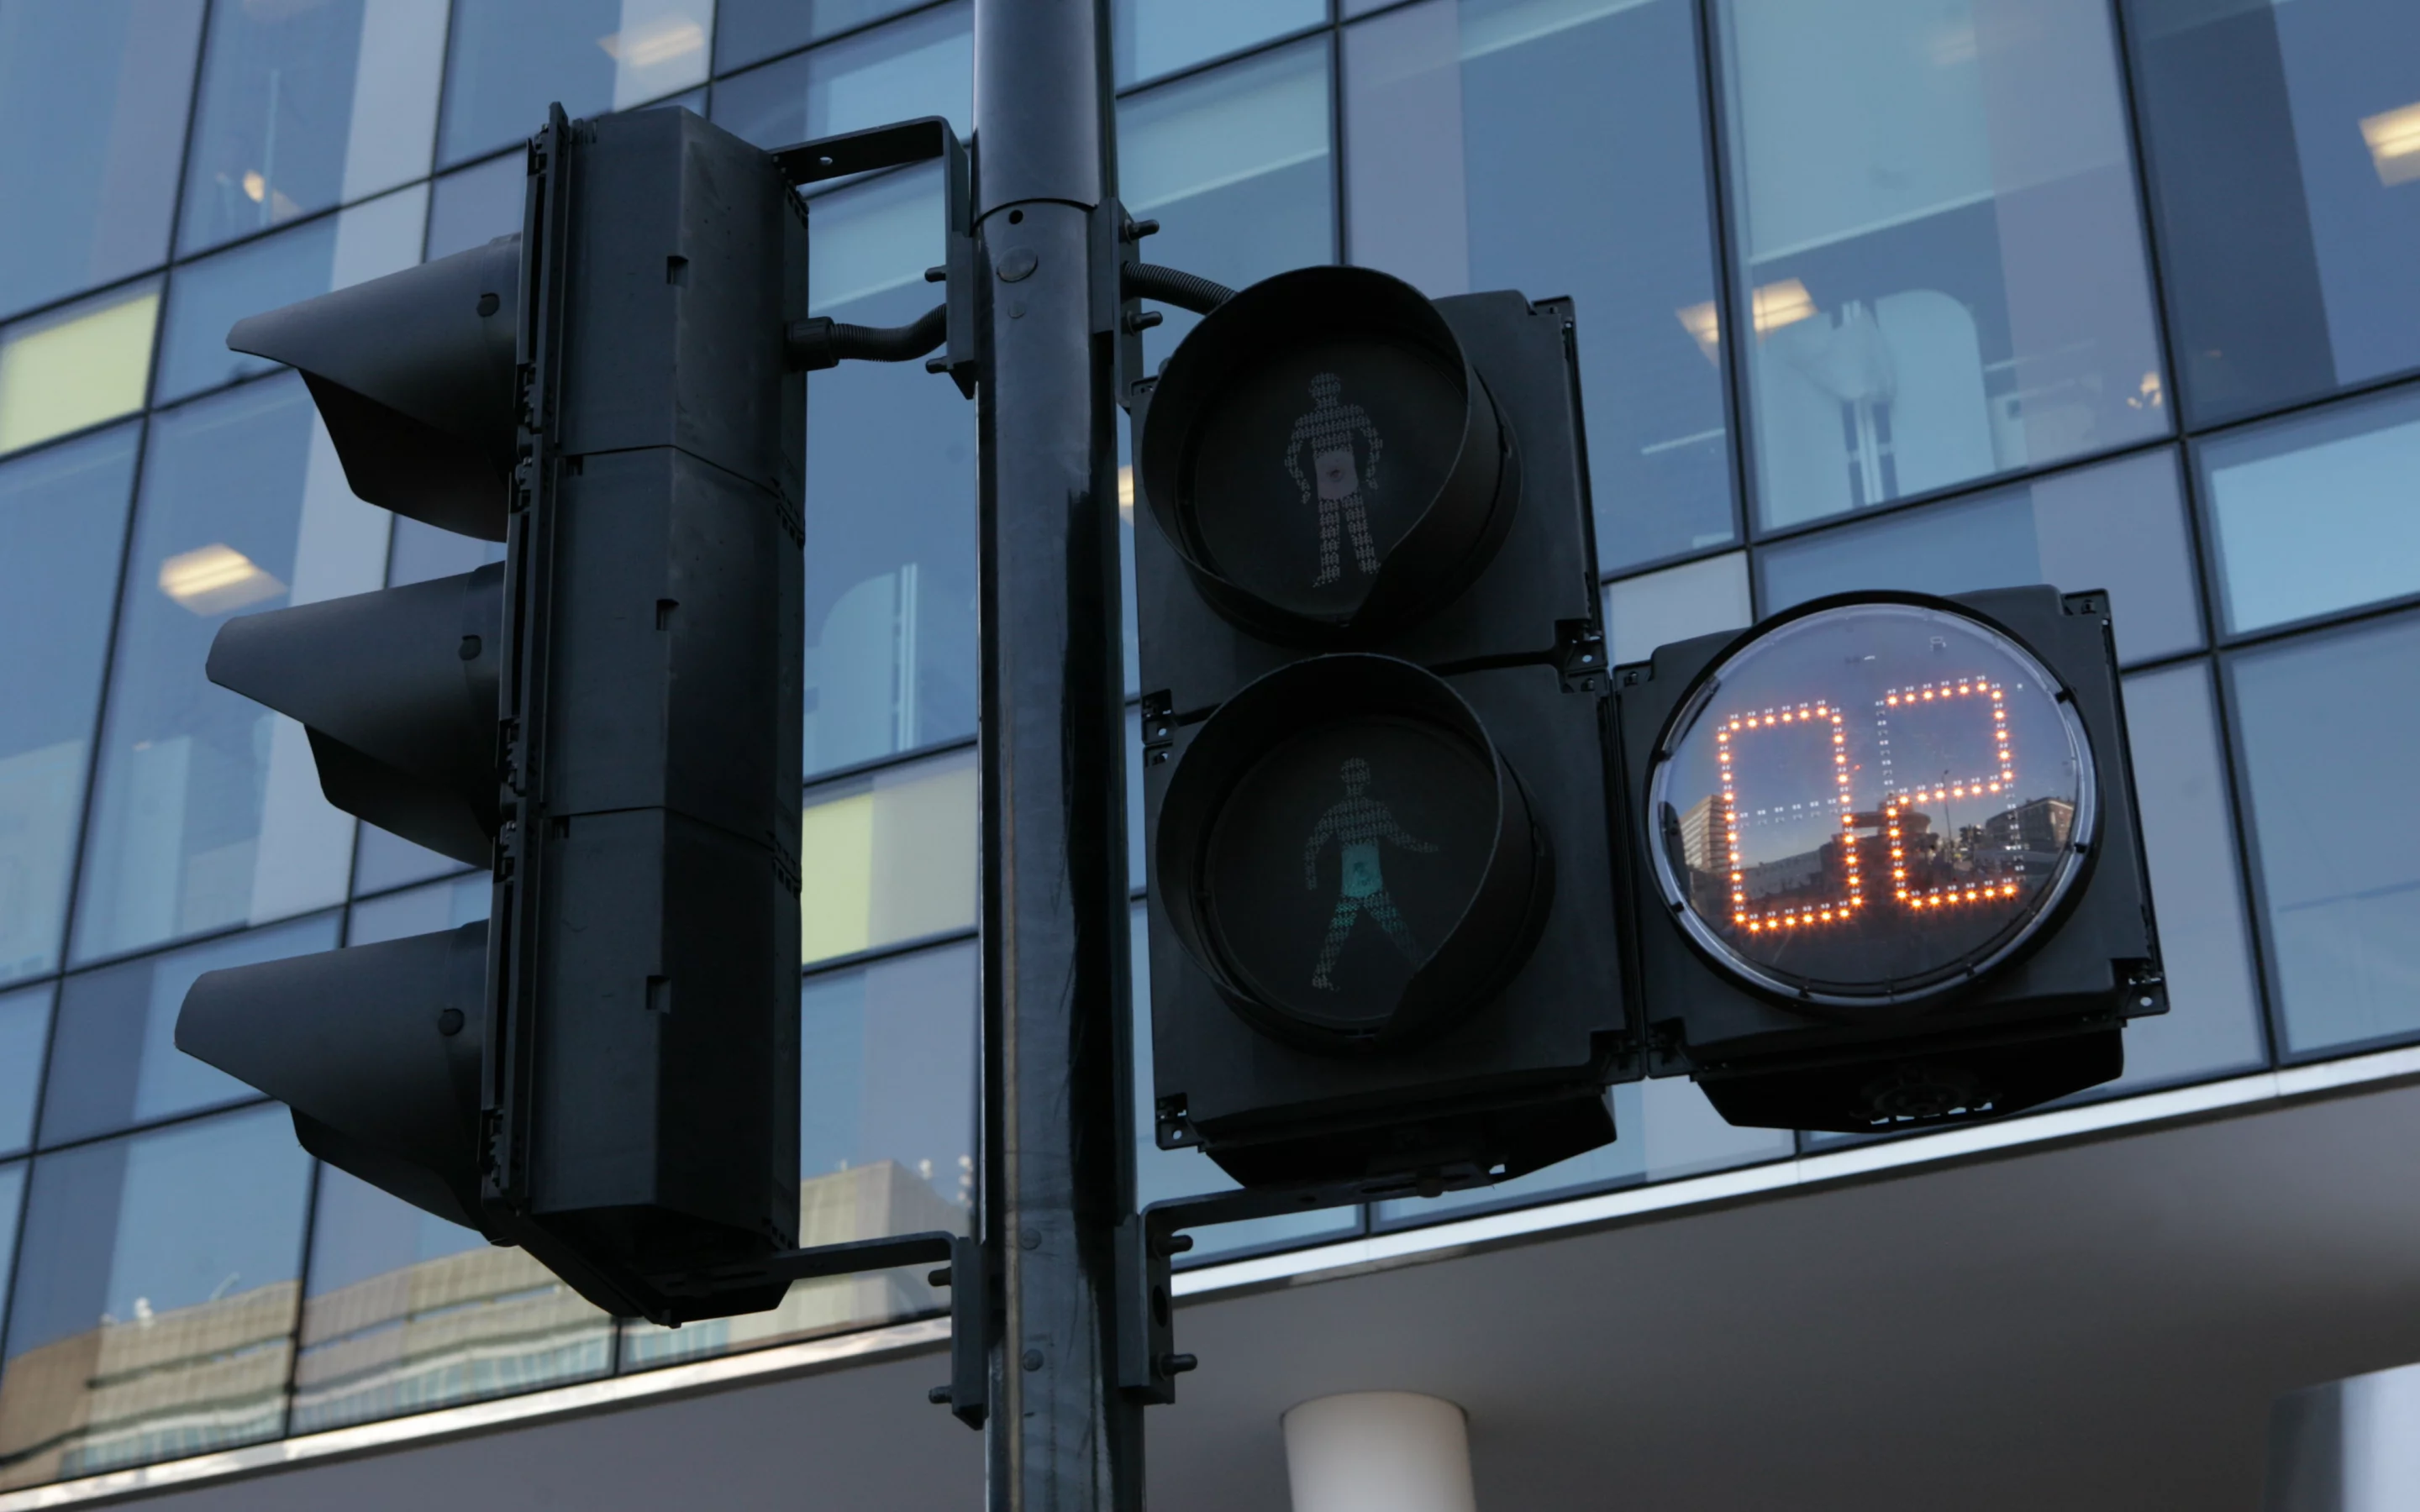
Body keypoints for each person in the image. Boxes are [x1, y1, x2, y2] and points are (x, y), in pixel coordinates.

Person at [1302, 756, 1436, 990]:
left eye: (1359, 774)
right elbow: (1312, 846)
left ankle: (1424, 968)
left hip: (1367, 886)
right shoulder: (1342, 812)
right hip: (1356, 887)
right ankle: (1424, 968)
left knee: (1388, 929)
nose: (1357, 779)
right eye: (1354, 775)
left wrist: (1426, 848)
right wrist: (1311, 879)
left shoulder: (1370, 810)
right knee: (1355, 931)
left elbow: (1400, 838)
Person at [1283, 372, 1386, 588]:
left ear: (1337, 389)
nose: (1326, 393)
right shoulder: (1307, 422)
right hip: (1325, 485)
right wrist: (1304, 487)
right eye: (1322, 389)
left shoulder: (1351, 412)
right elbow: (1291, 457)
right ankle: (1332, 574)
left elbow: (1375, 440)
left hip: (1350, 481)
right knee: (1330, 531)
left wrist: (1370, 473)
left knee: (1358, 526)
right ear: (1313, 393)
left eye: (1330, 387)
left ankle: (1369, 568)